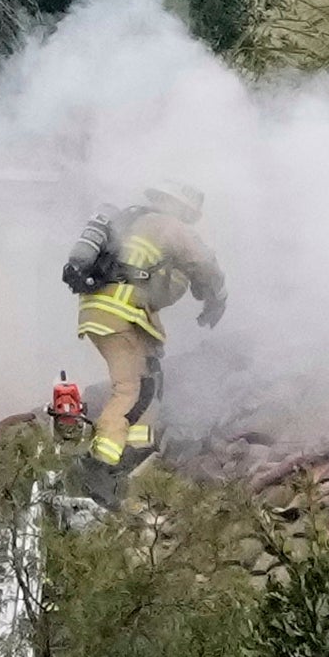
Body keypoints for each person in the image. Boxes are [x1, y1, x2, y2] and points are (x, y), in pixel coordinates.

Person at [58, 184, 226, 504]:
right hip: (120, 314)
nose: (188, 220)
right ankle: (100, 465)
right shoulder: (167, 226)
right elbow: (202, 261)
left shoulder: (130, 221)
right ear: (179, 207)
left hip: (112, 313)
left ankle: (134, 452)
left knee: (148, 382)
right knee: (129, 389)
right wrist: (217, 296)